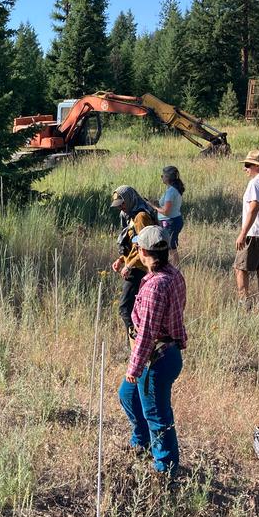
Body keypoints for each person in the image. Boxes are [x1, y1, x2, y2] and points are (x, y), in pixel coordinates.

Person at [118, 225, 187, 476]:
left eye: (138, 247)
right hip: (168, 354)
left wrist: (134, 368)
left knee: (157, 415)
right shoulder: (173, 275)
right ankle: (142, 441)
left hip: (155, 358)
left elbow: (147, 332)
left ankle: (165, 470)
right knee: (128, 395)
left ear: (144, 251)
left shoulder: (154, 287)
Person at [110, 186, 157, 338]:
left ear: (129, 200)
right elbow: (132, 244)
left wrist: (129, 265)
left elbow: (144, 245)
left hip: (140, 267)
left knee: (125, 307)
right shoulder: (131, 215)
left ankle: (136, 341)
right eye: (118, 206)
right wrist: (121, 260)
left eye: (122, 204)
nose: (120, 208)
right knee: (135, 308)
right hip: (134, 266)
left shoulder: (141, 217)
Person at [234, 149, 259, 306]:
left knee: (241, 268)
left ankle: (244, 302)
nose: (244, 168)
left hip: (255, 232)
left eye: (248, 165)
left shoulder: (256, 182)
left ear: (258, 166)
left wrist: (243, 233)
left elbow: (254, 208)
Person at [155, 166, 184, 264]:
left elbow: (166, 211)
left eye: (163, 175)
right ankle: (173, 267)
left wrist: (153, 206)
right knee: (170, 246)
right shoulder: (172, 190)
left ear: (168, 177)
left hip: (170, 221)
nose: (161, 177)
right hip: (173, 220)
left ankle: (175, 268)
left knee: (171, 247)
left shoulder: (171, 191)